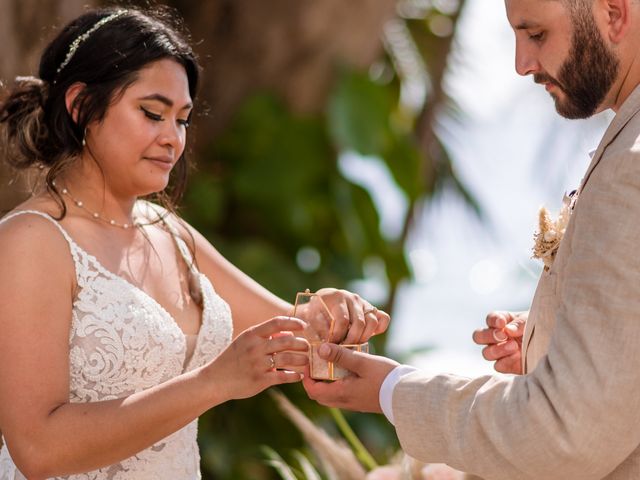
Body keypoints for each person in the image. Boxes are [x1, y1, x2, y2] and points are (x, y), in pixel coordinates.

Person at [0, 7, 390, 480]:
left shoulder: (169, 232)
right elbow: (38, 449)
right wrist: (213, 383)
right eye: (152, 113)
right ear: (81, 105)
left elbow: (293, 333)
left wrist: (328, 317)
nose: (172, 140)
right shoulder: (32, 241)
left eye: (182, 120)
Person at [303, 0, 640, 478]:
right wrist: (555, 331)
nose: (521, 63)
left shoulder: (631, 165)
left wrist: (392, 390)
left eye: (536, 34)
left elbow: (564, 434)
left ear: (613, 13)